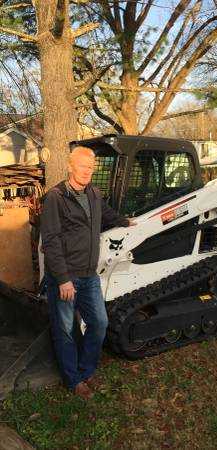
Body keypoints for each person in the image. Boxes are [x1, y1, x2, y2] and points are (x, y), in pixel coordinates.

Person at [40, 146, 135, 400]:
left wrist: (124, 221)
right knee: (67, 329)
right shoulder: (56, 198)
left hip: (89, 275)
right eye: (82, 166)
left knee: (99, 323)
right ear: (70, 167)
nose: (87, 172)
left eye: (91, 167)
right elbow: (50, 242)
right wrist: (62, 279)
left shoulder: (93, 193)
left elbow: (104, 213)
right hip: (66, 277)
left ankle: (86, 369)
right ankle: (74, 381)